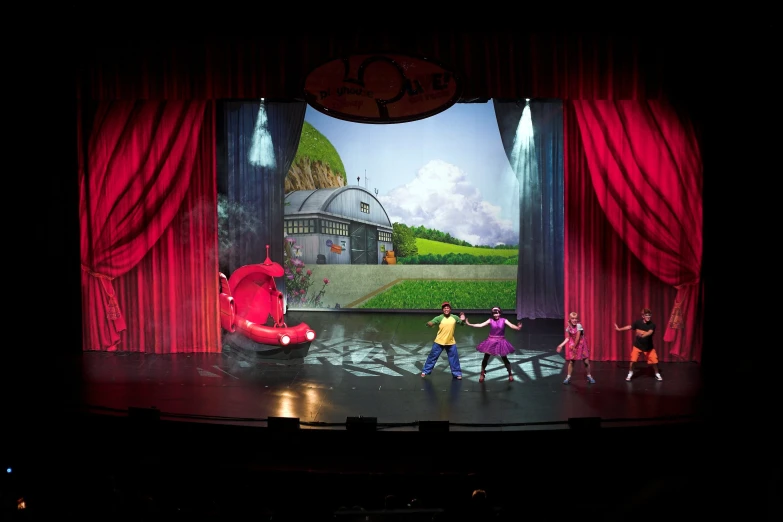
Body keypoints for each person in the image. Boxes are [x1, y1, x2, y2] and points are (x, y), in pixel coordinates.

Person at [465, 306, 522, 382]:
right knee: (486, 357)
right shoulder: (490, 320)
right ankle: (482, 373)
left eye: (497, 312)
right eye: (494, 312)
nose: (495, 314)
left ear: (500, 313)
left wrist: (517, 328)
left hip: (501, 341)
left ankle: (510, 373)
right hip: (491, 341)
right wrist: (470, 324)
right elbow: (481, 325)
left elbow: (511, 325)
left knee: (504, 358)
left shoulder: (504, 320)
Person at [615, 307, 662, 381]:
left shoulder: (652, 325)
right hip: (638, 346)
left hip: (648, 347)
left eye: (649, 315)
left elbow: (650, 332)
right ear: (643, 316)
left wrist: (642, 335)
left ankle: (657, 373)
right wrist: (619, 329)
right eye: (647, 315)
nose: (648, 317)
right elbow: (630, 327)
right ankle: (630, 373)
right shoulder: (638, 323)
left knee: (654, 362)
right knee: (633, 361)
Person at [421, 302, 465, 380]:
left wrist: (463, 319)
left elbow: (462, 323)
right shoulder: (439, 318)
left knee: (454, 359)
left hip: (450, 342)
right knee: (432, 357)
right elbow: (431, 322)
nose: (446, 309)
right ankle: (425, 371)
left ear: (450, 309)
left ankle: (457, 373)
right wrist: (429, 323)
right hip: (439, 341)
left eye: (447, 308)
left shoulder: (454, 317)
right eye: (444, 308)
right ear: (442, 310)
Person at [556, 312, 595, 384]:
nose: (574, 320)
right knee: (572, 362)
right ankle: (568, 377)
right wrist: (561, 345)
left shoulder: (579, 326)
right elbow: (567, 338)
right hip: (573, 345)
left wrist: (574, 347)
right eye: (573, 318)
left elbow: (577, 338)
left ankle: (589, 376)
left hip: (581, 345)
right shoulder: (568, 328)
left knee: (586, 362)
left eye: (576, 318)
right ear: (570, 319)